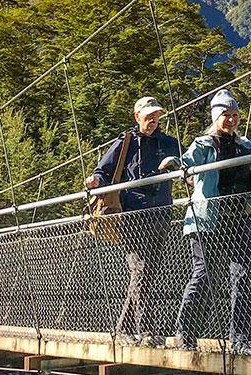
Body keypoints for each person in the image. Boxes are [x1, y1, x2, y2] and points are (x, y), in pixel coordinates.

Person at [160, 89, 251, 355]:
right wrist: (174, 163)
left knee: (243, 278)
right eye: (226, 115)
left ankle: (240, 340)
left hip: (242, 218)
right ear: (216, 117)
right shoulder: (204, 144)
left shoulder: (244, 146)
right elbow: (189, 164)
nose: (231, 120)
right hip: (209, 221)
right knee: (204, 276)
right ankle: (185, 333)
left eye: (235, 115)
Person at [85, 96, 181, 347]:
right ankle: (146, 331)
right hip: (132, 216)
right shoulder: (125, 143)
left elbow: (186, 166)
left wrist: (178, 165)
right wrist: (95, 182)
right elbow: (103, 171)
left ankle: (122, 330)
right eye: (147, 115)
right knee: (140, 270)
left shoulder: (170, 143)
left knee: (147, 274)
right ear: (137, 116)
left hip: (160, 214)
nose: (152, 120)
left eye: (156, 115)